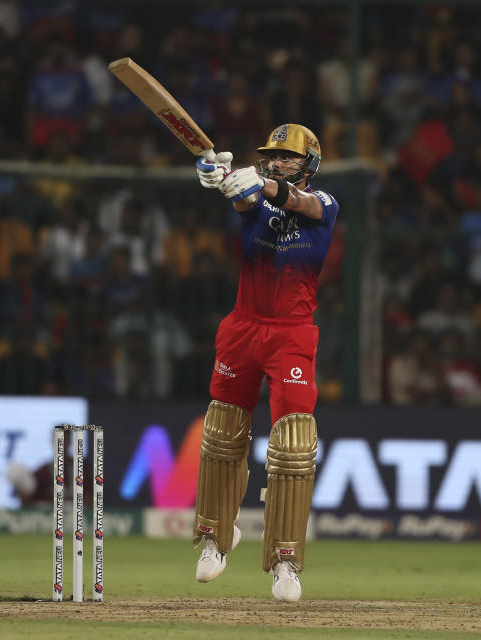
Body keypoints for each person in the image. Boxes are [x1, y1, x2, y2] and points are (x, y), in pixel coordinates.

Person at [191, 124, 338, 602]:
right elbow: (246, 201)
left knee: (294, 443)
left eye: (288, 158)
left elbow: (298, 203)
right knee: (221, 431)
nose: (277, 162)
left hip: (292, 333)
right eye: (272, 157)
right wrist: (223, 177)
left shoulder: (326, 205)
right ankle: (216, 535)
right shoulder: (253, 198)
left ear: (309, 164)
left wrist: (256, 179)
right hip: (242, 326)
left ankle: (285, 560)